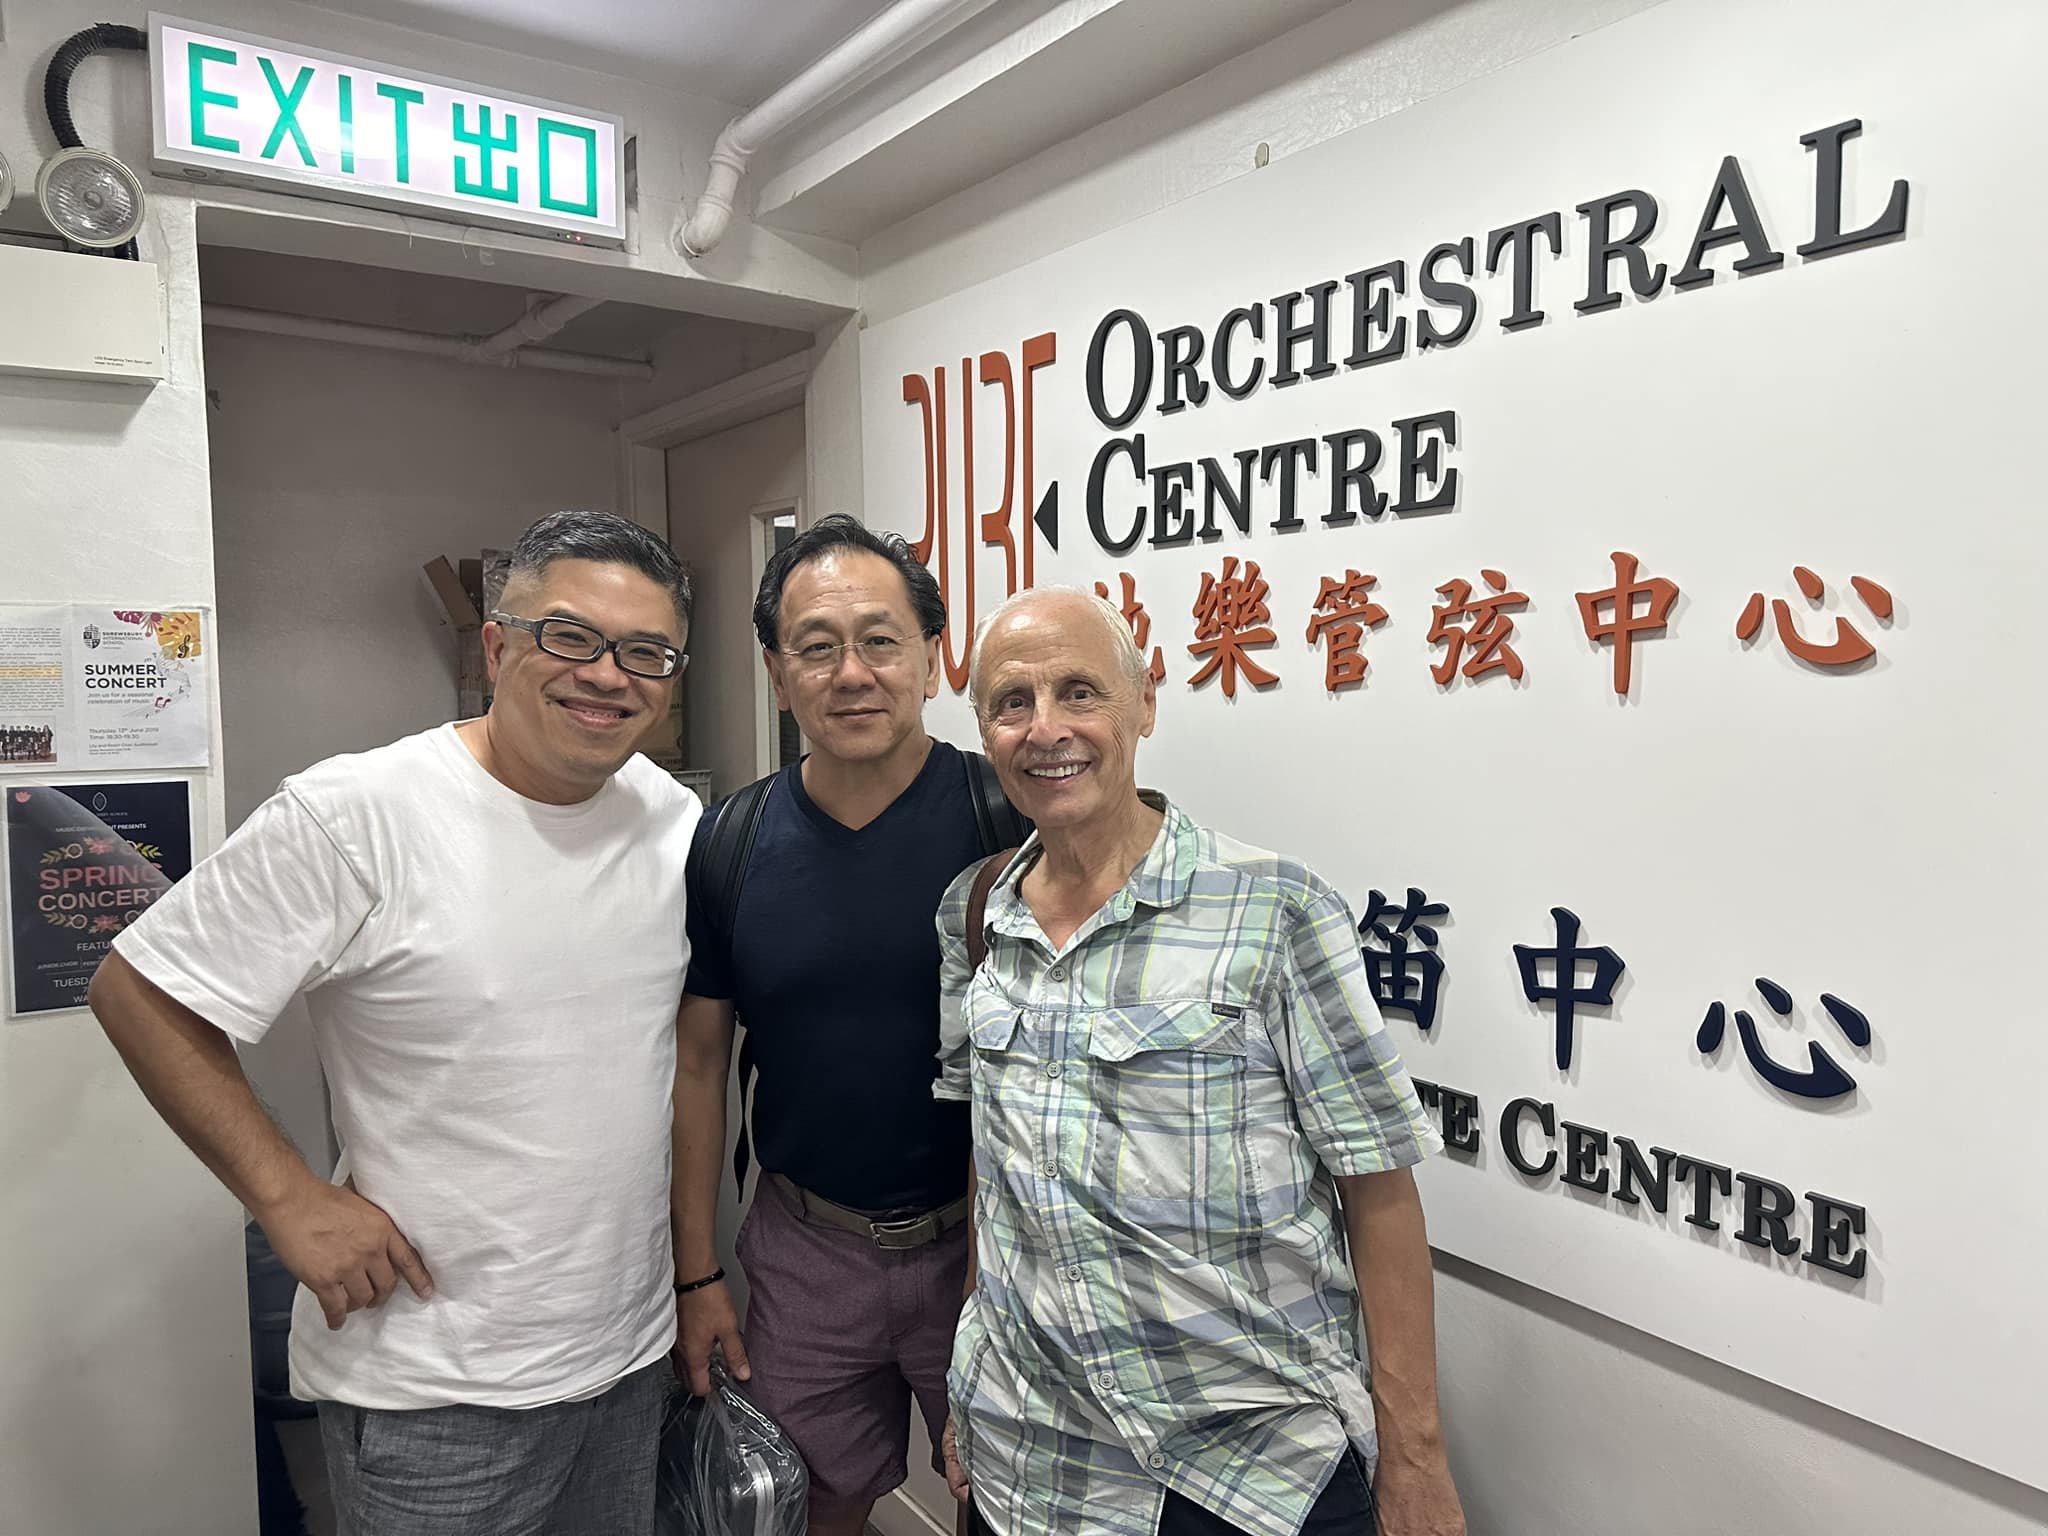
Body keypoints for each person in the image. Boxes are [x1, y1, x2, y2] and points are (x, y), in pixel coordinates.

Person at [89, 510, 699, 1536]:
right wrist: (287, 1197)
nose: (606, 674)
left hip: (625, 1364)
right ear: (496, 647)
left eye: (644, 652)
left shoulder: (670, 818)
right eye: (569, 636)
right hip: (433, 1390)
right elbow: (141, 990)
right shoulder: (358, 813)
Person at [936, 587, 1467, 1536]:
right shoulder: (975, 915)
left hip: (1245, 1473)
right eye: (1011, 702)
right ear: (982, 729)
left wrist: (1417, 1457)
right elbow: (994, 1163)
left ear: (1145, 702)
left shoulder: (1275, 910)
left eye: (1079, 692)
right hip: (1031, 1462)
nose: (1045, 728)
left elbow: (1379, 1190)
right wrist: (971, 1372)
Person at [671, 514, 1025, 1536]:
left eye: (878, 640)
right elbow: (700, 1068)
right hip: (804, 1250)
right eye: (816, 647)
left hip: (992, 1251)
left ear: (930, 658)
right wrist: (699, 1275)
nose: (850, 672)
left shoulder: (1003, 817)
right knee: (806, 1507)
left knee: (1008, 1506)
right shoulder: (730, 841)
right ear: (779, 673)